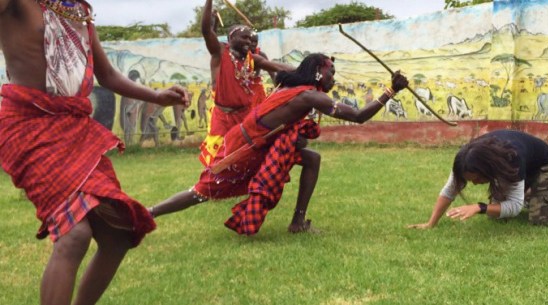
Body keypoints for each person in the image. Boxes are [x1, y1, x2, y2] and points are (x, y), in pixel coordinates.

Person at [0, 1, 189, 304]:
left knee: (119, 233)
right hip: (28, 127)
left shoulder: (78, 12)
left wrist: (156, 96)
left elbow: (108, 75)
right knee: (74, 235)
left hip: (75, 131)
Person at [149, 53, 409, 235]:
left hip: (258, 144)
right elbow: (358, 116)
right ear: (318, 72)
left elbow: (278, 67)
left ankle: (298, 222)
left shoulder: (288, 82)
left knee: (312, 159)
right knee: (201, 192)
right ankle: (149, 213)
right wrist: (391, 91)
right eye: (331, 73)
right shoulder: (308, 96)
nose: (334, 79)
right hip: (244, 150)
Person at [408, 129, 548, 229]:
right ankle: (532, 195)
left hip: (545, 164)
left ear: (488, 170)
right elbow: (449, 190)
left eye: (476, 179)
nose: (474, 183)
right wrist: (430, 223)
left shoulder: (511, 159)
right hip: (521, 167)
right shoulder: (465, 159)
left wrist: (480, 207)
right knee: (496, 216)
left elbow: (514, 207)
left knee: (541, 219)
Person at [198, 0, 295, 167]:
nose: (249, 42)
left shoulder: (253, 58)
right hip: (223, 117)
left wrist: (303, 71)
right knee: (217, 163)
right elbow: (206, 31)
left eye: (251, 39)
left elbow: (276, 66)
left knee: (249, 157)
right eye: (244, 38)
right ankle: (207, 191)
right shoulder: (220, 52)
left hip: (245, 116)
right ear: (231, 38)